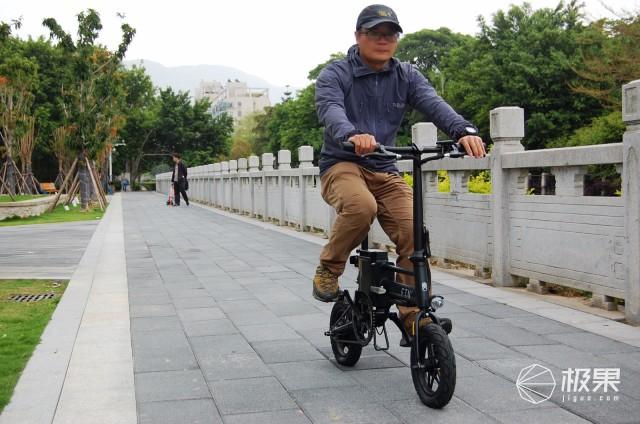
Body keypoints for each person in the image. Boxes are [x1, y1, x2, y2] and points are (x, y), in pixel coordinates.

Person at [313, 4, 486, 336]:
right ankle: (328, 269)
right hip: (343, 164)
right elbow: (330, 109)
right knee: (362, 207)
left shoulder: (406, 75)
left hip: (385, 168)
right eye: (374, 33)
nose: (383, 39)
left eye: (390, 33)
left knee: (414, 233)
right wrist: (351, 134)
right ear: (357, 36)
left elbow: (434, 104)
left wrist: (463, 132)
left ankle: (413, 314)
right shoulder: (336, 73)